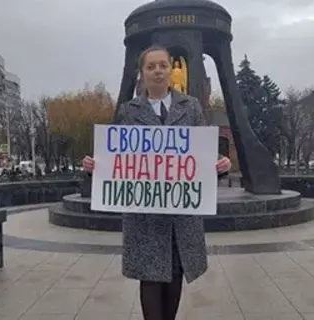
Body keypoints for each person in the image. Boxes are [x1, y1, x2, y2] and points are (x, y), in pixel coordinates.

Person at [82, 46, 231, 320]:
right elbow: (116, 157)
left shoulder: (191, 107)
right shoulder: (129, 111)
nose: (158, 71)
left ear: (171, 71)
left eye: (163, 65)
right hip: (145, 216)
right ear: (142, 74)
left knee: (175, 276)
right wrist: (95, 167)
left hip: (180, 215)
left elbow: (202, 153)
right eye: (151, 67)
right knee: (150, 280)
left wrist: (221, 165)